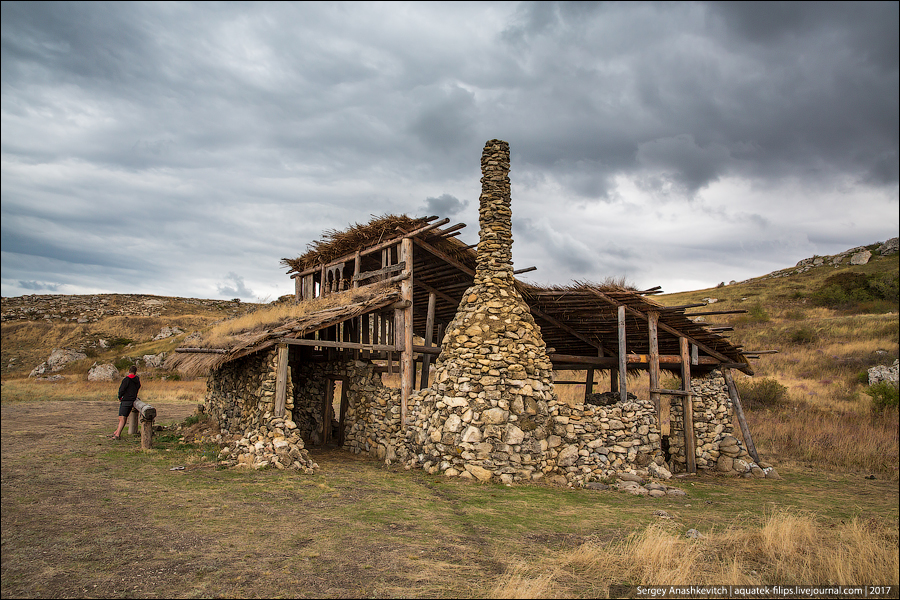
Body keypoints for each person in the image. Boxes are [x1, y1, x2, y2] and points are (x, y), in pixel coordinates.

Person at [110, 365, 141, 440]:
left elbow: (122, 389)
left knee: (121, 417)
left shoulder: (126, 380)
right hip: (132, 399)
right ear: (135, 372)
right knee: (125, 417)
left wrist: (120, 397)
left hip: (126, 400)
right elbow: (138, 386)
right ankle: (117, 431)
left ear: (129, 371)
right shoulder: (136, 379)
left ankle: (117, 434)